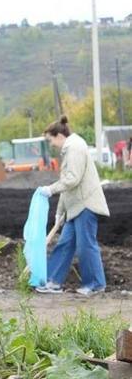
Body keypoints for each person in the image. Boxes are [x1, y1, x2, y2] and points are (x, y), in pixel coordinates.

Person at [35, 116, 109, 296]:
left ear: (59, 135)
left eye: (50, 140)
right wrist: (60, 212)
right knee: (65, 243)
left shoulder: (75, 147)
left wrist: (50, 189)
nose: (51, 144)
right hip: (75, 207)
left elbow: (72, 179)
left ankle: (95, 285)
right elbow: (67, 185)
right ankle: (53, 281)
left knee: (86, 245)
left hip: (86, 204)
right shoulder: (70, 148)